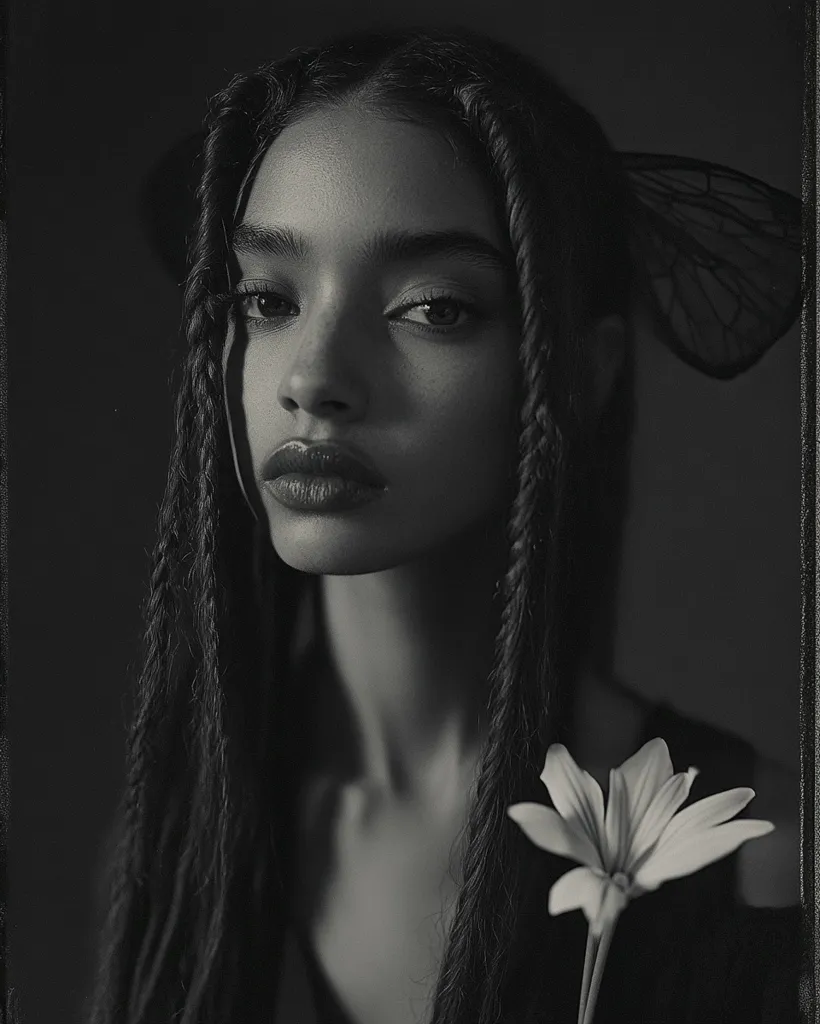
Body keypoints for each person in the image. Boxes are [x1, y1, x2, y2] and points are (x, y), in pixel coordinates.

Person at [88, 26, 801, 1024]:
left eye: (432, 309)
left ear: (581, 375)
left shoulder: (753, 853)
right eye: (267, 298)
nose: (314, 379)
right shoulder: (181, 840)